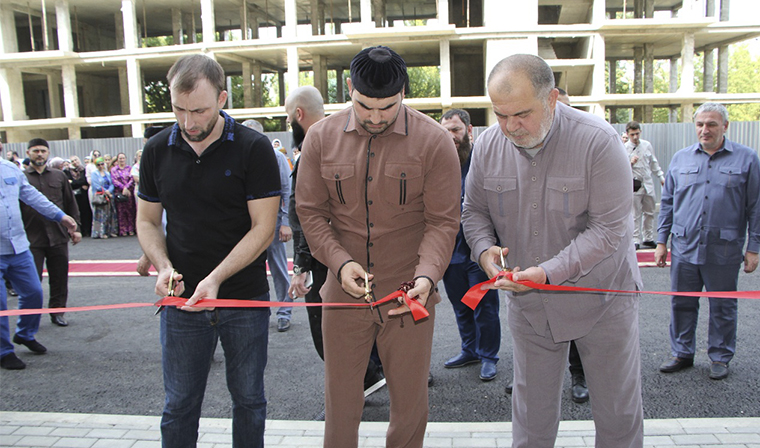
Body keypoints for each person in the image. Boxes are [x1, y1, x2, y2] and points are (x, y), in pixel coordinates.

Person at [462, 54, 643, 447]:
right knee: (531, 418)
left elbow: (610, 230)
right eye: (500, 115)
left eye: (521, 114)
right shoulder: (489, 145)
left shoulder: (599, 141)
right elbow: (473, 211)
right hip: (531, 308)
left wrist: (548, 273)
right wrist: (483, 251)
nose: (510, 127)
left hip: (602, 299)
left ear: (553, 99)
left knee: (617, 417)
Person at [296, 46, 461, 448]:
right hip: (342, 293)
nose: (374, 116)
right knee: (340, 402)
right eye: (364, 105)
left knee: (409, 404)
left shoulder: (435, 142)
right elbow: (311, 213)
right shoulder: (320, 138)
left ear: (404, 92)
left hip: (408, 293)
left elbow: (442, 222)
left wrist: (426, 276)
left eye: (387, 107)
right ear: (350, 89)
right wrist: (338, 262)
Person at [136, 54, 280, 447]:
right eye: (178, 110)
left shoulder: (254, 148)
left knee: (249, 400)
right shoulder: (156, 150)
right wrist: (163, 265)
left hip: (244, 298)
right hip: (180, 302)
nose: (188, 123)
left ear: (222, 98)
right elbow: (147, 220)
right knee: (179, 403)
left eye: (198, 110)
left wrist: (215, 278)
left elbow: (263, 228)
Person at [285, 86, 387, 401]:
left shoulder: (314, 149)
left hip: (325, 259)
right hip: (358, 253)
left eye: (288, 117)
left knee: (327, 336)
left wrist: (301, 266)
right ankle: (378, 374)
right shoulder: (347, 142)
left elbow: (305, 214)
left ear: (297, 115)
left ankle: (361, 386)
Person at [655, 102, 760, 381]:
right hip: (684, 247)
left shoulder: (747, 159)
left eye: (712, 124)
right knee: (682, 302)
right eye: (700, 124)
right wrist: (661, 241)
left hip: (723, 248)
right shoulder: (680, 158)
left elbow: (756, 207)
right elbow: (667, 203)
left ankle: (720, 356)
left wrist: (754, 248)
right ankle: (682, 352)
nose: (705, 130)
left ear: (725, 126)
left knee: (723, 304)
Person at [439, 109, 501, 382]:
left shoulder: (483, 160)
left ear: (468, 130)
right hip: (449, 253)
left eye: (455, 130)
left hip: (478, 252)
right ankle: (470, 350)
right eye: (446, 131)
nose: (451, 136)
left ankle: (488, 356)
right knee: (461, 305)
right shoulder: (439, 163)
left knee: (484, 306)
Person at [1, 158, 78, 370]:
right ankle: (4, 351)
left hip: (18, 246)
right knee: (0, 303)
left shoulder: (10, 170)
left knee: (33, 292)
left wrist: (61, 216)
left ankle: (25, 333)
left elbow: (33, 197)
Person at [21, 138, 82, 328]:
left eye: (43, 151)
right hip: (31, 237)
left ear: (48, 153)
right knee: (32, 282)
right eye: (35, 151)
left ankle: (57, 312)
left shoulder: (58, 176)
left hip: (57, 236)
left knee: (59, 276)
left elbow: (70, 203)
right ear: (28, 153)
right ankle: (31, 317)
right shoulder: (21, 178)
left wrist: (76, 228)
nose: (39, 154)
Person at [242, 119, 294, 332]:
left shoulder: (277, 157)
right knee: (246, 270)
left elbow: (286, 191)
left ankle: (284, 311)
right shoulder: (238, 157)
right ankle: (254, 312)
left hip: (272, 224)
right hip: (246, 226)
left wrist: (285, 223)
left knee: (279, 269)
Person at [626, 121, 665, 250]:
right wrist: (629, 162)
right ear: (628, 134)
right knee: (635, 213)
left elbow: (653, 162)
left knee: (650, 211)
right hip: (634, 184)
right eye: (632, 135)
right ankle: (635, 239)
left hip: (647, 183)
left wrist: (660, 176)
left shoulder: (646, 145)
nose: (635, 137)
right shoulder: (624, 147)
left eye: (637, 133)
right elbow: (620, 169)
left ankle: (648, 238)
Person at [66, 155, 92, 237]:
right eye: (72, 161)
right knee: (75, 213)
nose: (75, 162)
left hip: (84, 196)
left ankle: (86, 231)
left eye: (76, 160)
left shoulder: (84, 170)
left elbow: (84, 180)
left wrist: (74, 182)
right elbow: (69, 183)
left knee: (85, 213)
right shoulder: (67, 172)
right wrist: (80, 184)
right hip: (73, 195)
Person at [111, 153, 136, 236]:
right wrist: (123, 188)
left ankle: (131, 229)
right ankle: (123, 230)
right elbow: (114, 180)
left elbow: (132, 179)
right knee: (121, 212)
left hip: (129, 192)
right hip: (119, 192)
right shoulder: (114, 169)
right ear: (117, 159)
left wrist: (127, 187)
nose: (121, 160)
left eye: (123, 158)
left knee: (130, 211)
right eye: (120, 158)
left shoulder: (129, 168)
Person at [89, 157, 115, 239]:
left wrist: (109, 191)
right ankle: (100, 232)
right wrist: (105, 192)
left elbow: (111, 184)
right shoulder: (94, 174)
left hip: (108, 195)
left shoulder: (107, 173)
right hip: (100, 196)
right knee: (100, 215)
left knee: (109, 214)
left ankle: (109, 231)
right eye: (98, 164)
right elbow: (96, 185)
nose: (100, 166)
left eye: (102, 164)